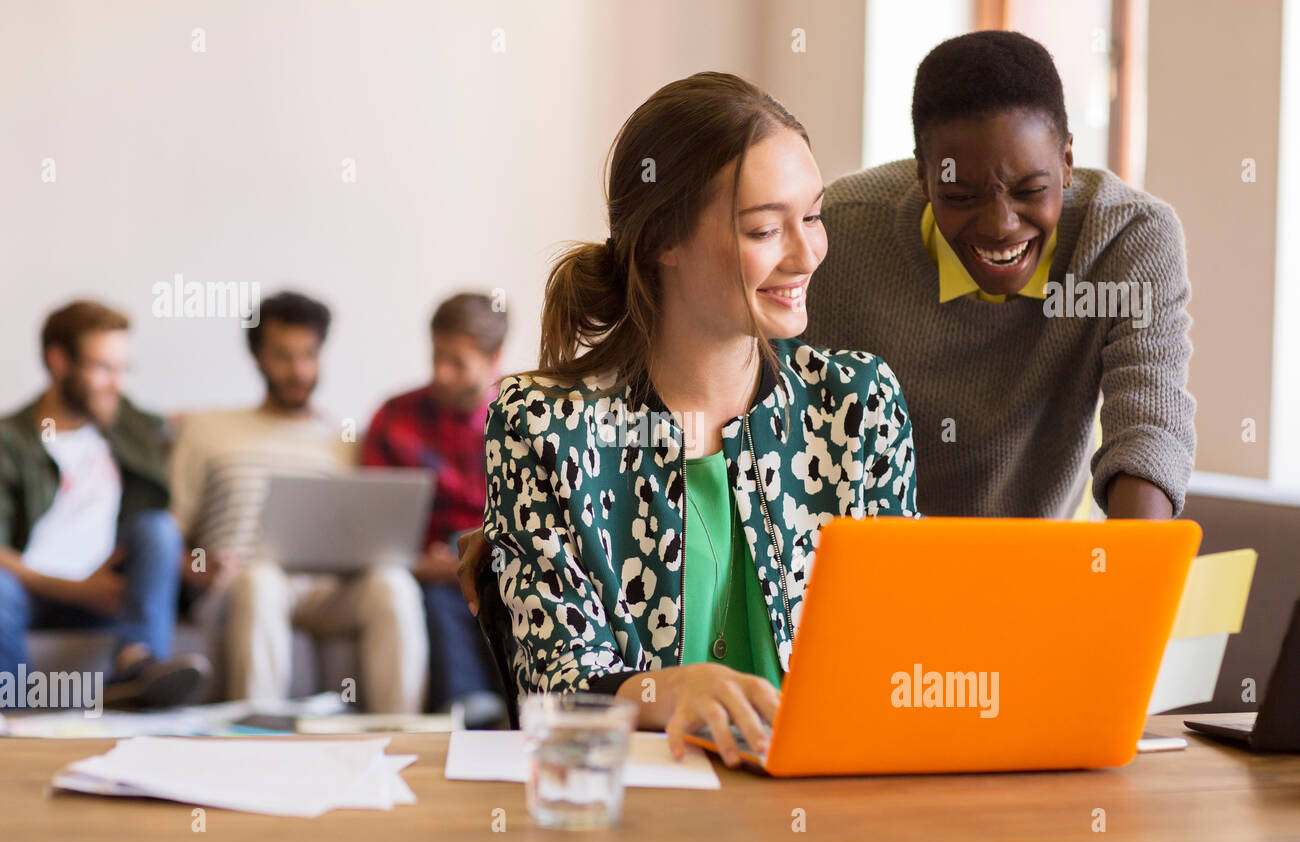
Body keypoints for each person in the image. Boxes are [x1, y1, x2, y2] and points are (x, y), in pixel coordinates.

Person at [478, 72, 917, 765]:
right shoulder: (543, 426)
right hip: (635, 816)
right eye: (766, 229)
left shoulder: (857, 406)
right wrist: (667, 690)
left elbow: (900, 650)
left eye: (813, 216)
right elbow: (556, 685)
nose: (806, 254)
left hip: (829, 807)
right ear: (663, 240)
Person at [807, 30, 1196, 521]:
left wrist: (1133, 577)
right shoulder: (839, 230)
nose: (1000, 225)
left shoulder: (1125, 238)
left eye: (1031, 189)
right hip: (863, 559)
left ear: (1067, 162)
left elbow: (1149, 427)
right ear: (923, 178)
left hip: (1033, 567)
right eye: (962, 197)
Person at [169, 291, 428, 712]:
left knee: (393, 584)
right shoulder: (206, 429)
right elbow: (172, 535)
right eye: (283, 356)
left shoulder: (341, 438)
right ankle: (255, 737)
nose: (299, 370)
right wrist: (199, 565)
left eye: (310, 354)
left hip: (323, 590)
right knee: (261, 579)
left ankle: (401, 736)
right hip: (241, 584)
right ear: (257, 357)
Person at [0, 301, 207, 708]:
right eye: (103, 368)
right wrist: (76, 590)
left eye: (124, 368)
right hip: (32, 590)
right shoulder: (11, 441)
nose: (117, 383)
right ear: (58, 361)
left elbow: (192, 423)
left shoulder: (126, 422)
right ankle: (12, 718)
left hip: (111, 586)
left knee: (157, 527)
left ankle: (135, 666)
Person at [361, 293, 506, 725]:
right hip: (421, 567)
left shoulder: (520, 417)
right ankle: (470, 708)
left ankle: (516, 706)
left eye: (458, 363)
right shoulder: (395, 416)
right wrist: (418, 561)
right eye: (437, 356)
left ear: (494, 359)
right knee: (444, 588)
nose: (441, 374)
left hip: (499, 557)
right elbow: (367, 519)